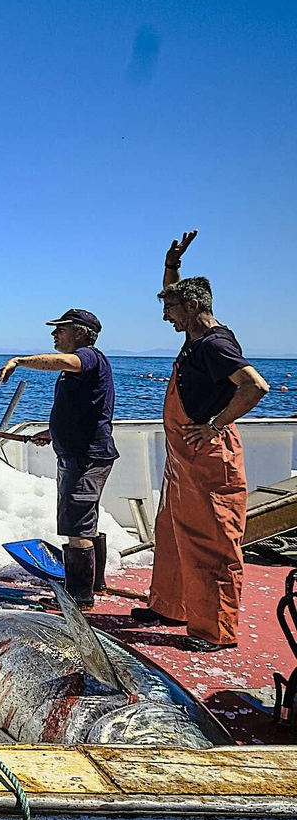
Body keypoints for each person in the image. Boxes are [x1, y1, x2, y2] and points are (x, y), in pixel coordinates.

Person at [131, 230, 270, 652]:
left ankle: (215, 631)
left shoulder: (215, 344)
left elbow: (255, 386)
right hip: (182, 458)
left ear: (192, 308)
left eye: (170, 309)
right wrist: (171, 265)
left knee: (211, 542)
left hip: (208, 456)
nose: (165, 317)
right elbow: (180, 292)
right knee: (172, 532)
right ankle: (171, 606)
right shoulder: (196, 334)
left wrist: (216, 423)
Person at [0, 309, 117, 609]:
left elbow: (63, 361)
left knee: (77, 527)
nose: (54, 335)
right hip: (80, 453)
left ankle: (79, 598)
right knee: (84, 520)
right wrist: (52, 432)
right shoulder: (83, 366)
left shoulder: (88, 357)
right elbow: (85, 410)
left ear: (79, 332)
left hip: (86, 457)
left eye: (60, 329)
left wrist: (18, 361)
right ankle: (94, 584)